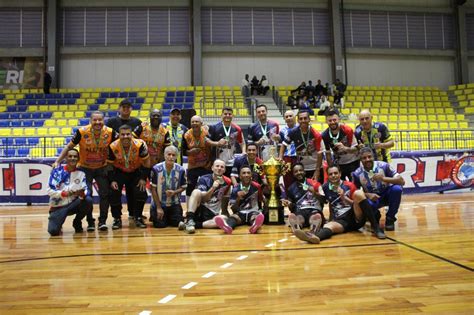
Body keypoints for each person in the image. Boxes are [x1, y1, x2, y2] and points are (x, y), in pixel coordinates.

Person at [53, 111, 117, 232]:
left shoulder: (110, 132)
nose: (97, 122)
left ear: (104, 121)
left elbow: (120, 144)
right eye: (95, 120)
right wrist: (58, 161)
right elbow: (69, 147)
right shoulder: (82, 132)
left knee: (105, 195)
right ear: (90, 121)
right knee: (87, 196)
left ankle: (102, 221)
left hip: (102, 167)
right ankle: (90, 222)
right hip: (84, 168)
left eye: (100, 120)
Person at [294, 165, 385, 244]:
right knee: (328, 226)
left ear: (340, 174)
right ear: (328, 176)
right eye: (330, 174)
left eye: (335, 173)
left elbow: (357, 204)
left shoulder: (349, 185)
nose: (333, 176)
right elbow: (324, 201)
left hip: (355, 216)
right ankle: (314, 237)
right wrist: (314, 193)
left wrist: (344, 198)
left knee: (359, 194)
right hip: (341, 220)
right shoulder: (325, 187)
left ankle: (376, 228)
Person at [107, 125, 151, 229]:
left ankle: (138, 217)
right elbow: (109, 165)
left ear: (131, 135)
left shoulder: (140, 145)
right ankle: (117, 218)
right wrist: (112, 180)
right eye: (123, 134)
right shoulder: (112, 146)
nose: (125, 136)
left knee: (141, 192)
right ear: (119, 135)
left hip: (136, 171)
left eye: (128, 134)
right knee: (113, 192)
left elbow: (147, 162)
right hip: (119, 172)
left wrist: (143, 178)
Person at [106, 99, 143, 220]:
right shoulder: (111, 122)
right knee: (114, 191)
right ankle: (117, 217)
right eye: (123, 107)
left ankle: (134, 214)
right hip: (117, 162)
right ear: (119, 108)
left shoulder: (137, 122)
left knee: (133, 191)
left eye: (128, 107)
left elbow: (140, 141)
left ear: (131, 109)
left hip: (133, 161)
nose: (126, 109)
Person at [352, 147, 405, 231]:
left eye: (369, 157)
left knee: (397, 189)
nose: (367, 159)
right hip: (373, 199)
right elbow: (354, 193)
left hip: (386, 195)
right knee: (365, 202)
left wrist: (384, 179)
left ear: (373, 157)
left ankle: (390, 218)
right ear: (360, 159)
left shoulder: (384, 166)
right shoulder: (357, 173)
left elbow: (402, 181)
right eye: (364, 158)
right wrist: (367, 195)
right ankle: (375, 217)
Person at [47, 148, 93, 236]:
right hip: (59, 206)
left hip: (73, 204)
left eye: (75, 156)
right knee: (53, 231)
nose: (73, 158)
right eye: (70, 156)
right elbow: (49, 190)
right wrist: (64, 193)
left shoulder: (81, 173)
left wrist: (82, 194)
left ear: (78, 159)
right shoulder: (57, 172)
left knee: (88, 200)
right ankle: (56, 220)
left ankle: (77, 222)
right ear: (65, 159)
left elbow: (86, 190)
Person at [181, 159, 232, 234]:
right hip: (201, 209)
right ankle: (190, 218)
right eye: (217, 166)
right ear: (212, 168)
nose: (219, 168)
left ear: (224, 170)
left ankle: (192, 224)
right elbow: (204, 199)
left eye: (222, 167)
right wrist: (213, 188)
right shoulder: (204, 179)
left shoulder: (228, 182)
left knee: (224, 218)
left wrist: (225, 212)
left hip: (213, 213)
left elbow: (225, 198)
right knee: (196, 192)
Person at [182, 115, 224, 201]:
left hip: (206, 166)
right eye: (192, 122)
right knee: (190, 187)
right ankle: (189, 208)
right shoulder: (186, 135)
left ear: (201, 123)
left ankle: (206, 207)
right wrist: (190, 152)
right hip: (192, 166)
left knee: (207, 186)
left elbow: (210, 142)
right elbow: (183, 151)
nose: (194, 123)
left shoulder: (207, 132)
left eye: (196, 122)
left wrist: (218, 143)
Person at [214, 166, 265, 234]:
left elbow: (261, 200)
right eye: (244, 173)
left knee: (255, 217)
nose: (246, 175)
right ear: (240, 176)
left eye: (248, 173)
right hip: (240, 213)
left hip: (253, 212)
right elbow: (233, 209)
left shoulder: (257, 186)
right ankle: (227, 226)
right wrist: (238, 198)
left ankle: (255, 226)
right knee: (233, 217)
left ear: (251, 175)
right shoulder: (235, 189)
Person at [279, 110, 325, 182]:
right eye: (301, 119)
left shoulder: (316, 134)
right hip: (302, 169)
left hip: (315, 167)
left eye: (305, 118)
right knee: (303, 191)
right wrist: (280, 157)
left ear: (309, 119)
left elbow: (320, 154)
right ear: (298, 120)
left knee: (317, 190)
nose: (303, 120)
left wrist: (317, 171)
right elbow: (284, 144)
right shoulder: (293, 132)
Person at [281, 163, 325, 236]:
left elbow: (324, 200)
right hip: (300, 211)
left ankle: (313, 232)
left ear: (304, 171)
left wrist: (314, 193)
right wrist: (289, 204)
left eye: (300, 170)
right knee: (296, 217)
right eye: (296, 171)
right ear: (293, 174)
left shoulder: (316, 184)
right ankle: (297, 229)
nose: (298, 173)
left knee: (315, 217)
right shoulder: (291, 188)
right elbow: (291, 207)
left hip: (314, 210)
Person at [150, 145, 187, 228]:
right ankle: (155, 212)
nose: (171, 157)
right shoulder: (156, 169)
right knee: (160, 225)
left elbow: (184, 186)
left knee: (176, 223)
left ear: (176, 156)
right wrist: (158, 208)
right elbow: (153, 189)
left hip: (174, 203)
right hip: (160, 204)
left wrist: (174, 192)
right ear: (164, 155)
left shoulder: (181, 170)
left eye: (173, 155)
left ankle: (170, 217)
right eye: (169, 154)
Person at [321, 110, 360, 181]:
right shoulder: (325, 135)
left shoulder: (348, 130)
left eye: (334, 120)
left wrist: (345, 148)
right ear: (326, 121)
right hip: (340, 164)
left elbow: (356, 148)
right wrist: (331, 168)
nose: (332, 122)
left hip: (353, 162)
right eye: (330, 120)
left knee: (355, 185)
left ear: (339, 119)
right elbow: (328, 153)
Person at [208, 107, 245, 177]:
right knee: (218, 183)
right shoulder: (214, 127)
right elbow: (207, 142)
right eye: (225, 114)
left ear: (232, 116)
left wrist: (243, 151)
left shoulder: (237, 129)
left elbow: (242, 142)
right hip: (218, 162)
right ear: (221, 115)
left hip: (232, 162)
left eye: (229, 114)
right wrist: (217, 143)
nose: (227, 115)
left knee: (232, 182)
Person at [279, 110, 297, 191]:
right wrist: (281, 158)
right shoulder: (282, 131)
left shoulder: (300, 128)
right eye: (286, 117)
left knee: (299, 177)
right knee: (287, 180)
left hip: (298, 157)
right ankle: (289, 198)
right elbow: (282, 146)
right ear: (284, 119)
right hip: (287, 158)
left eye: (290, 116)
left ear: (294, 117)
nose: (289, 118)